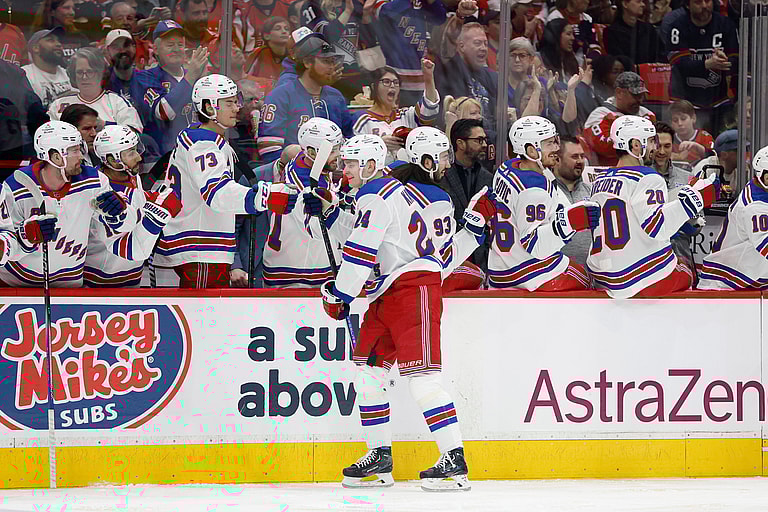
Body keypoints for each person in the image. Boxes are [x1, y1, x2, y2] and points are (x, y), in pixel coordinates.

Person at [317, 128, 494, 491]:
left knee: (423, 380)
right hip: (388, 293)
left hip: (413, 293)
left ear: (370, 165)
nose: (344, 169)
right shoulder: (435, 197)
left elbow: (361, 250)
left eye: (349, 163)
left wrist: (340, 294)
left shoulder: (377, 193)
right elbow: (436, 257)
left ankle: (454, 461)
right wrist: (472, 231)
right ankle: (379, 457)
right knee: (368, 375)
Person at [153, 74, 298, 288]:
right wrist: (263, 196)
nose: (237, 107)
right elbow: (217, 193)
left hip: (202, 250)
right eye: (229, 102)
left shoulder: (206, 139)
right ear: (209, 108)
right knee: (201, 318)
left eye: (236, 101)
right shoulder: (203, 144)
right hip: (199, 251)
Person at [586, 116, 717, 298]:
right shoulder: (648, 177)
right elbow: (658, 227)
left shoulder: (599, 180)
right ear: (634, 145)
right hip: (641, 278)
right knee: (687, 269)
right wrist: (698, 198)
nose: (654, 148)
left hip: (603, 277)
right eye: (650, 141)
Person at [0, 120, 134, 287]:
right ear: (55, 156)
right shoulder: (16, 186)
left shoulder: (94, 181)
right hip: (17, 282)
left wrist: (120, 212)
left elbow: (118, 230)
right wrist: (25, 236)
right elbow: (5, 243)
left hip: (71, 282)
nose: (81, 156)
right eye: (75, 151)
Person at [487, 115, 599, 291]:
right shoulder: (534, 189)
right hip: (529, 272)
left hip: (499, 268)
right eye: (549, 144)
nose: (556, 148)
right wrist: (569, 222)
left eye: (555, 141)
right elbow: (535, 245)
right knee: (589, 280)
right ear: (531, 151)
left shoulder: (507, 167)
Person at [85, 125, 182, 287]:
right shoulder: (102, 194)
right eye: (131, 153)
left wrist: (150, 198)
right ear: (111, 159)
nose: (139, 157)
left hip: (131, 276)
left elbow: (136, 203)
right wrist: (157, 210)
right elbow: (126, 241)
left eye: (136, 150)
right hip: (101, 281)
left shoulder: (130, 174)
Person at [261, 117, 344, 287]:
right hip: (299, 275)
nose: (339, 155)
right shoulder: (308, 188)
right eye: (333, 150)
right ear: (312, 153)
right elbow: (321, 229)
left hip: (291, 262)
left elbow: (294, 150)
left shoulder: (305, 160)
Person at [257, 30, 357, 163]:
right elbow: (270, 150)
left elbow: (349, 139)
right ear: (308, 63)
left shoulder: (335, 96)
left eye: (333, 61)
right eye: (326, 61)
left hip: (334, 174)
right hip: (291, 175)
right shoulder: (280, 96)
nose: (332, 67)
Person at [131, 20, 209, 154]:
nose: (176, 49)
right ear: (155, 49)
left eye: (180, 44)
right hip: (164, 159)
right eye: (170, 44)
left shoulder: (194, 76)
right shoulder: (145, 77)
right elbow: (164, 112)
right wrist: (192, 76)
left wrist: (203, 81)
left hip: (199, 152)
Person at [698, 145, 768, 290]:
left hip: (746, 277)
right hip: (725, 283)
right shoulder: (754, 206)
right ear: (761, 176)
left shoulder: (760, 187)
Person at [666, 0, 738, 133]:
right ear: (688, 5)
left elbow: (737, 60)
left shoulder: (726, 25)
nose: (704, 6)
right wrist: (706, 64)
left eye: (708, 1)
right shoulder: (677, 27)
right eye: (698, 2)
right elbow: (678, 63)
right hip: (685, 102)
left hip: (719, 101)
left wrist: (725, 60)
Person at [353, 60, 440, 164]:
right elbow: (354, 154)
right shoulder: (362, 120)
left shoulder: (407, 115)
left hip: (407, 176)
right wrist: (379, 143)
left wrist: (428, 77)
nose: (392, 85)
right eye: (386, 82)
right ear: (374, 87)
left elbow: (429, 110)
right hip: (379, 178)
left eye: (396, 82)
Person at [368, 0, 446, 106]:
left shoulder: (422, 4)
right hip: (395, 78)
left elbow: (440, 18)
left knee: (422, 118)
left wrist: (432, 2)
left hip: (422, 77)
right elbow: (385, 12)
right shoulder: (387, 4)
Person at [48, 47, 143, 133]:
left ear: (100, 74)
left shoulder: (116, 102)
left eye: (90, 72)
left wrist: (104, 125)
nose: (84, 77)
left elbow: (133, 132)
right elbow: (47, 134)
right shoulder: (59, 104)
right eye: (80, 72)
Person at [441, 118, 493, 270]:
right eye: (478, 140)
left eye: (485, 140)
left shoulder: (489, 178)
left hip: (482, 260)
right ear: (460, 144)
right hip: (449, 257)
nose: (484, 145)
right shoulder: (442, 175)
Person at [435, 23, 499, 139]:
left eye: (485, 43)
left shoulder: (492, 77)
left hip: (488, 138)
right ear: (461, 46)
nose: (483, 48)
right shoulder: (449, 71)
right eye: (477, 43)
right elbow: (446, 47)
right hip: (461, 139)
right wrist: (459, 18)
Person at [652, 121, 699, 271]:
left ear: (673, 146)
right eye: (658, 145)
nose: (661, 151)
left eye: (667, 146)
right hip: (649, 259)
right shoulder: (640, 177)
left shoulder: (687, 178)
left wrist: (689, 225)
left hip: (681, 256)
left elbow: (699, 221)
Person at [583, 71, 656, 166]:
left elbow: (656, 146)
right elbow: (605, 148)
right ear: (619, 93)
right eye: (635, 95)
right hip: (608, 173)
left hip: (645, 171)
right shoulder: (599, 115)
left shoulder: (647, 115)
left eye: (641, 95)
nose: (640, 100)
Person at [552, 136, 592, 265]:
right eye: (574, 157)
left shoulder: (592, 192)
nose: (580, 161)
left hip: (589, 276)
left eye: (582, 156)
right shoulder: (546, 193)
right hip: (554, 276)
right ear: (557, 160)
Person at [22, 28, 75, 108]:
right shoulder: (24, 75)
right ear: (36, 48)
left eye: (58, 41)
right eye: (51, 40)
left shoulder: (68, 74)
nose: (58, 44)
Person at [603, 0, 664, 65]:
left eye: (642, 1)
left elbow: (661, 53)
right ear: (625, 4)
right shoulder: (611, 32)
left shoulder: (649, 29)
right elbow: (618, 59)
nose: (643, 5)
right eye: (638, 1)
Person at [31, 0, 89, 64]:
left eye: (73, 9)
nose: (72, 12)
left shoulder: (79, 37)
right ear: (52, 12)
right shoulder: (40, 37)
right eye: (66, 8)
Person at [545, 0, 600, 65]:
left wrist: (590, 59)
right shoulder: (555, 17)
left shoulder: (587, 19)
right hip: (561, 63)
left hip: (585, 63)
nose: (587, 1)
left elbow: (594, 44)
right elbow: (554, 48)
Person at [244, 16, 290, 91]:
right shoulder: (258, 53)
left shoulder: (293, 56)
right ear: (267, 36)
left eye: (286, 29)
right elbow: (244, 78)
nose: (284, 31)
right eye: (278, 28)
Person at [692, 129, 738, 197]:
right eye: (739, 151)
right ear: (724, 155)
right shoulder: (704, 169)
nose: (745, 154)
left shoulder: (743, 171)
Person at [668, 100, 714, 164]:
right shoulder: (669, 139)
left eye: (683, 118)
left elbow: (714, 158)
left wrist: (698, 147)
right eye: (675, 120)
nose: (680, 123)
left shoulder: (705, 137)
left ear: (693, 118)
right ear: (671, 123)